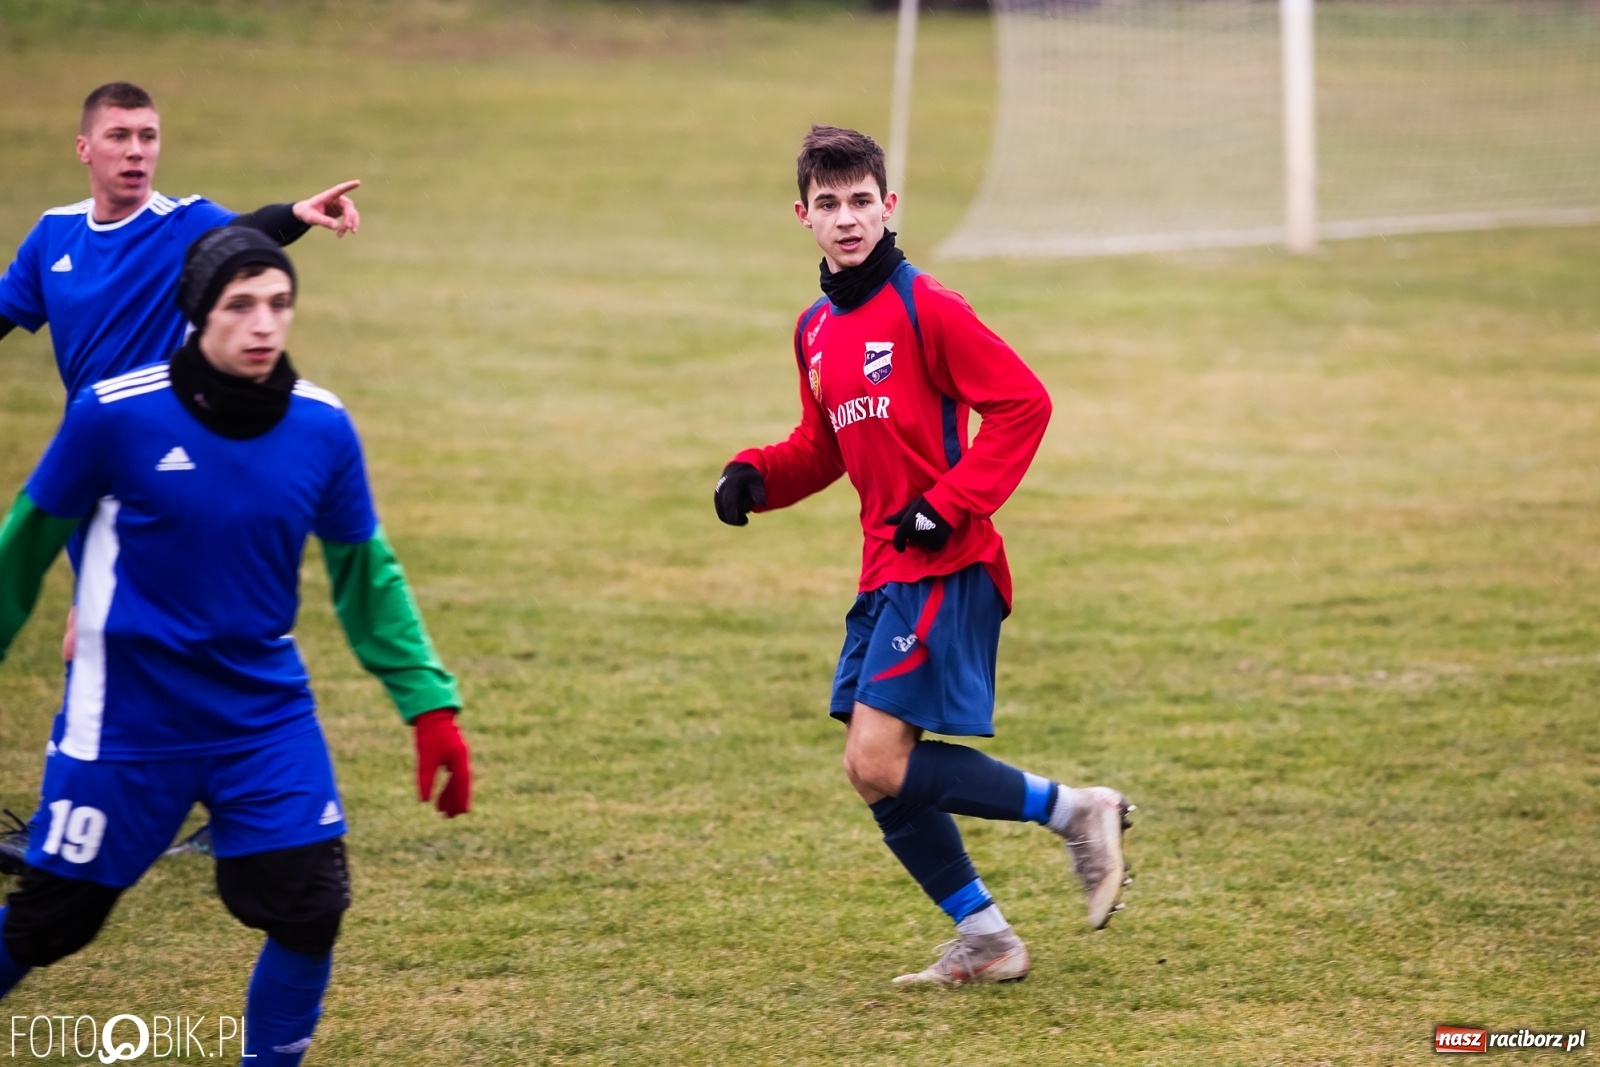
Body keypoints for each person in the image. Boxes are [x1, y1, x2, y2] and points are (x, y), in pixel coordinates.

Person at [0, 228, 471, 1065]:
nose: (264, 325)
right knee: (49, 924)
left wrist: (429, 702)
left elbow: (368, 576)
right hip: (128, 722)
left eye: (280, 305)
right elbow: (23, 548)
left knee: (309, 910)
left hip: (262, 717)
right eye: (241, 305)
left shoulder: (322, 427)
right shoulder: (113, 415)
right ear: (197, 314)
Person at [714, 125, 1133, 986]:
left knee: (878, 757)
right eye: (827, 205)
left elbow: (1023, 403)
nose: (847, 219)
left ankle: (1077, 811)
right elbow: (824, 444)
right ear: (802, 216)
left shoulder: (927, 305)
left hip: (950, 561)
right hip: (883, 574)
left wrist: (948, 505)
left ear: (889, 204)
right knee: (872, 775)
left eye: (861, 201)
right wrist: (755, 475)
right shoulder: (815, 328)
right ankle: (986, 936)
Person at [0, 80, 364, 874]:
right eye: (122, 136)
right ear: (85, 148)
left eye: (150, 136)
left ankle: (76, 819)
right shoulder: (53, 237)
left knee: (105, 632)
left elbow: (244, 235)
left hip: (176, 461)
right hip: (94, 463)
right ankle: (227, 799)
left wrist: (298, 215)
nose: (137, 151)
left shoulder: (184, 222)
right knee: (130, 634)